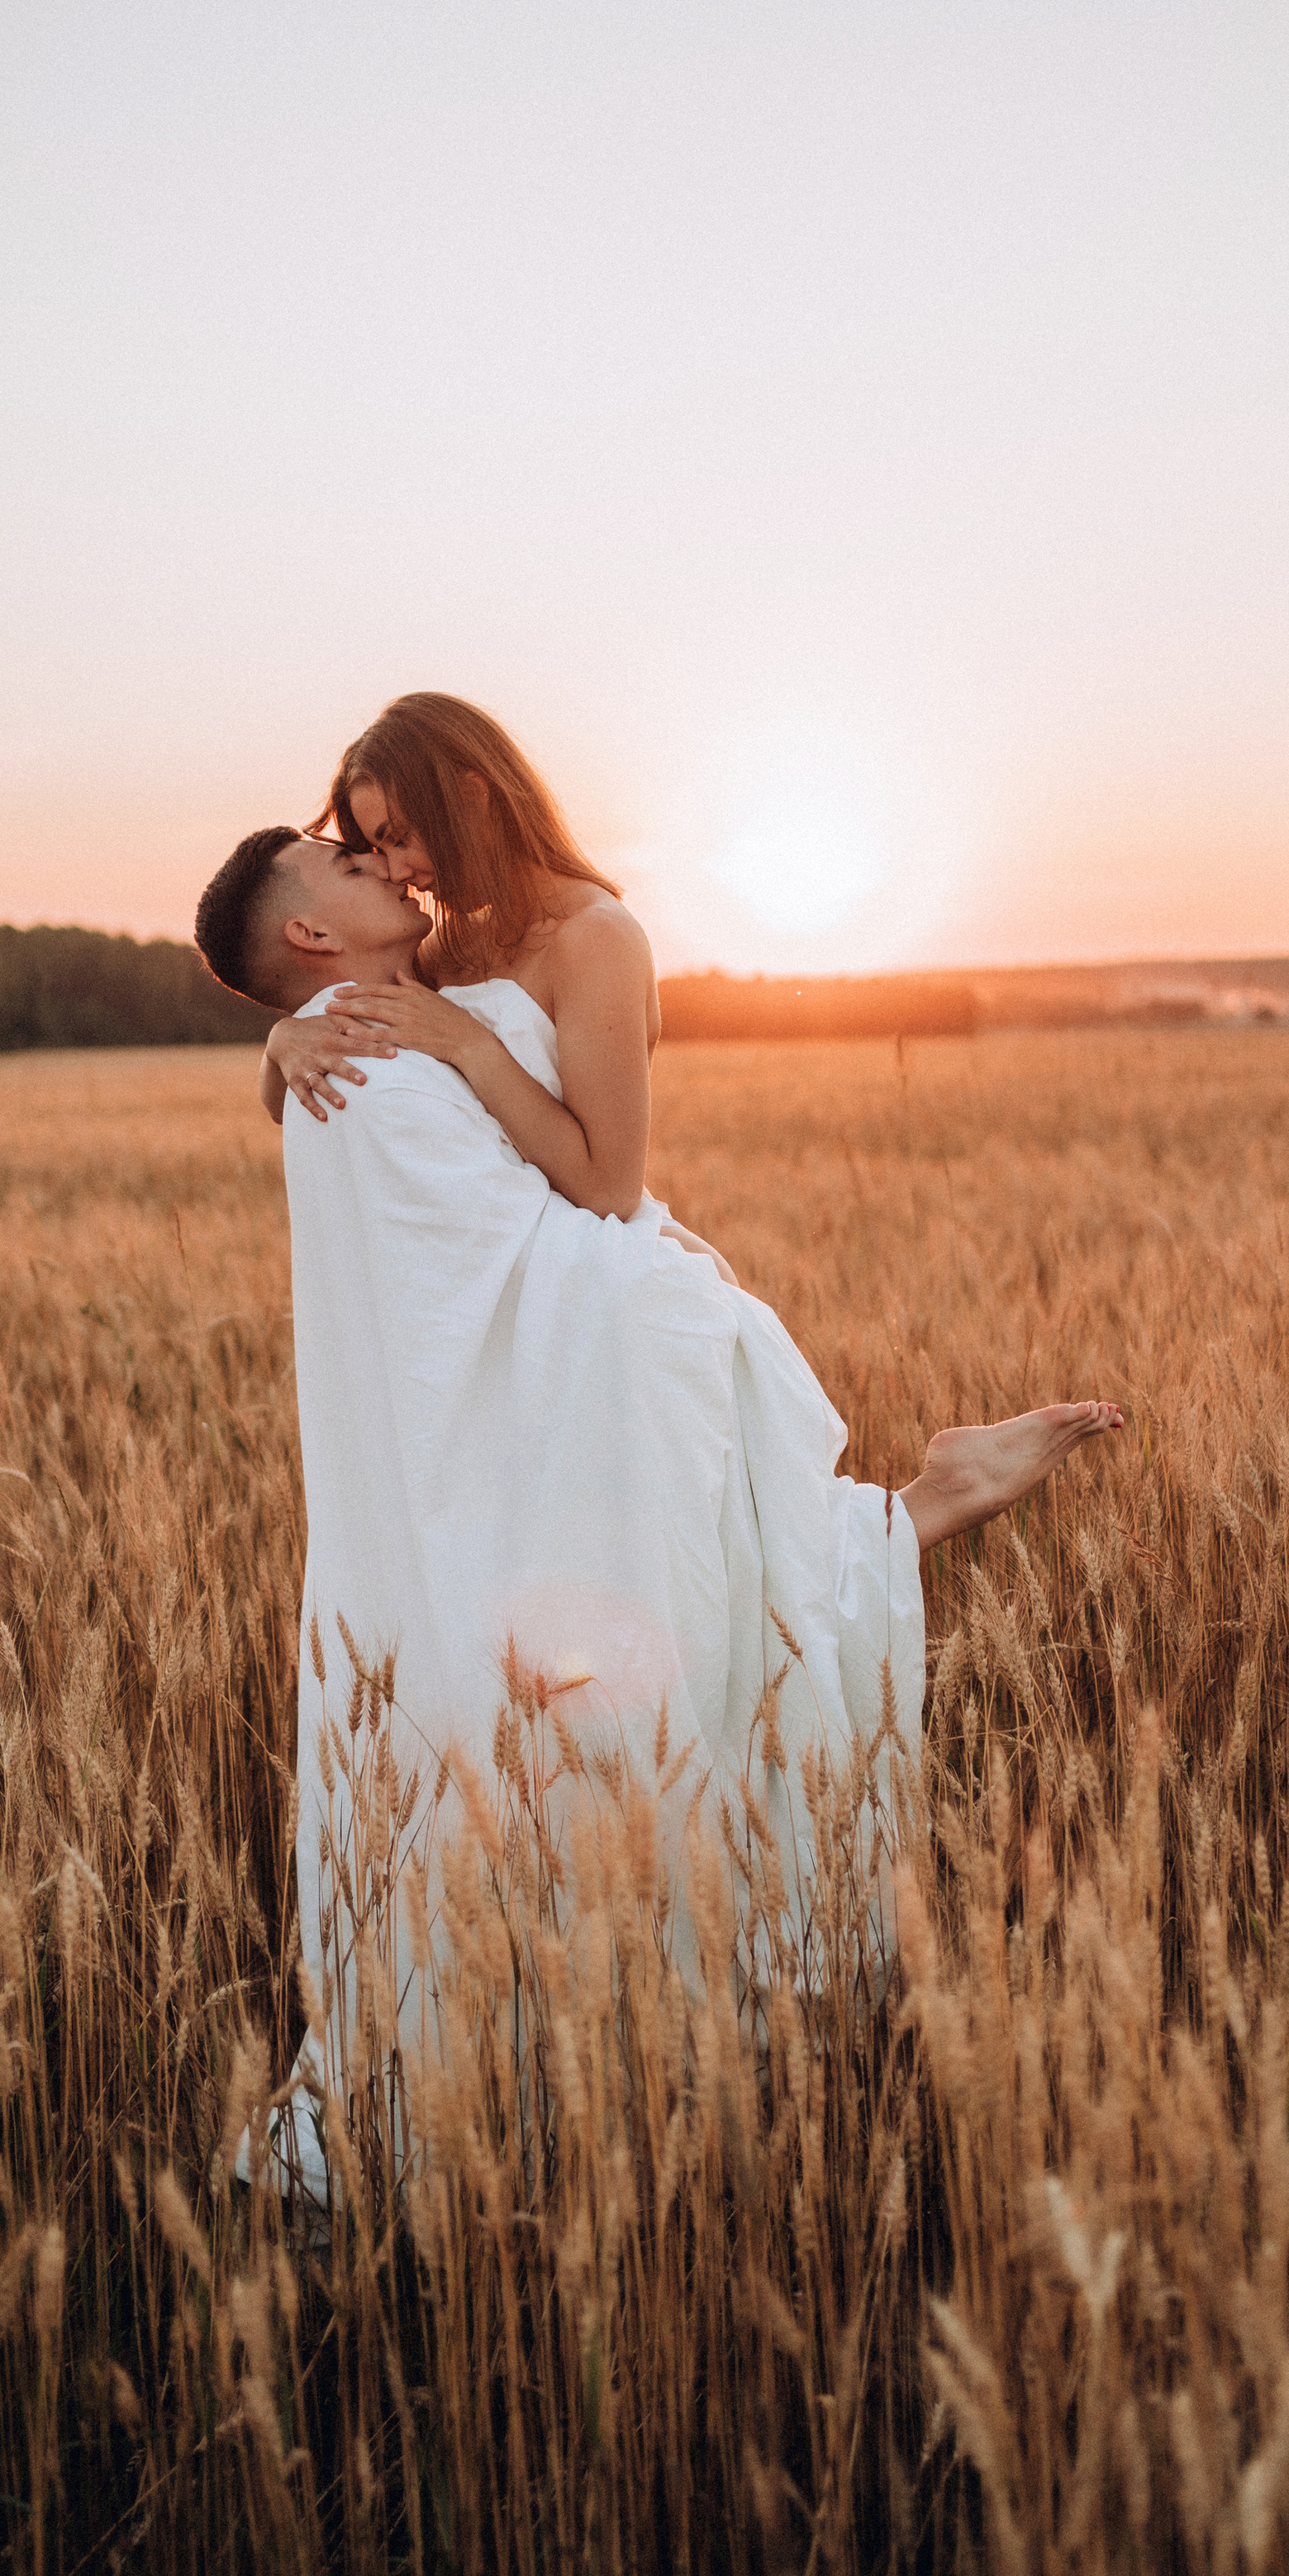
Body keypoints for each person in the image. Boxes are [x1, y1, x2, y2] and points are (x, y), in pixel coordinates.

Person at [193, 815, 1120, 2145]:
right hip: (530, 1418)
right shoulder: (368, 1069)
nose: (392, 859)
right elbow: (490, 1254)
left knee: (689, 1626)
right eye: (352, 860)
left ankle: (921, 1512)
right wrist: (670, 1282)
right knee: (681, 1643)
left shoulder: (422, 1004)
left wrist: (300, 1043)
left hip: (514, 1433)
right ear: (310, 936)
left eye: (390, 833)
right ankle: (922, 1512)